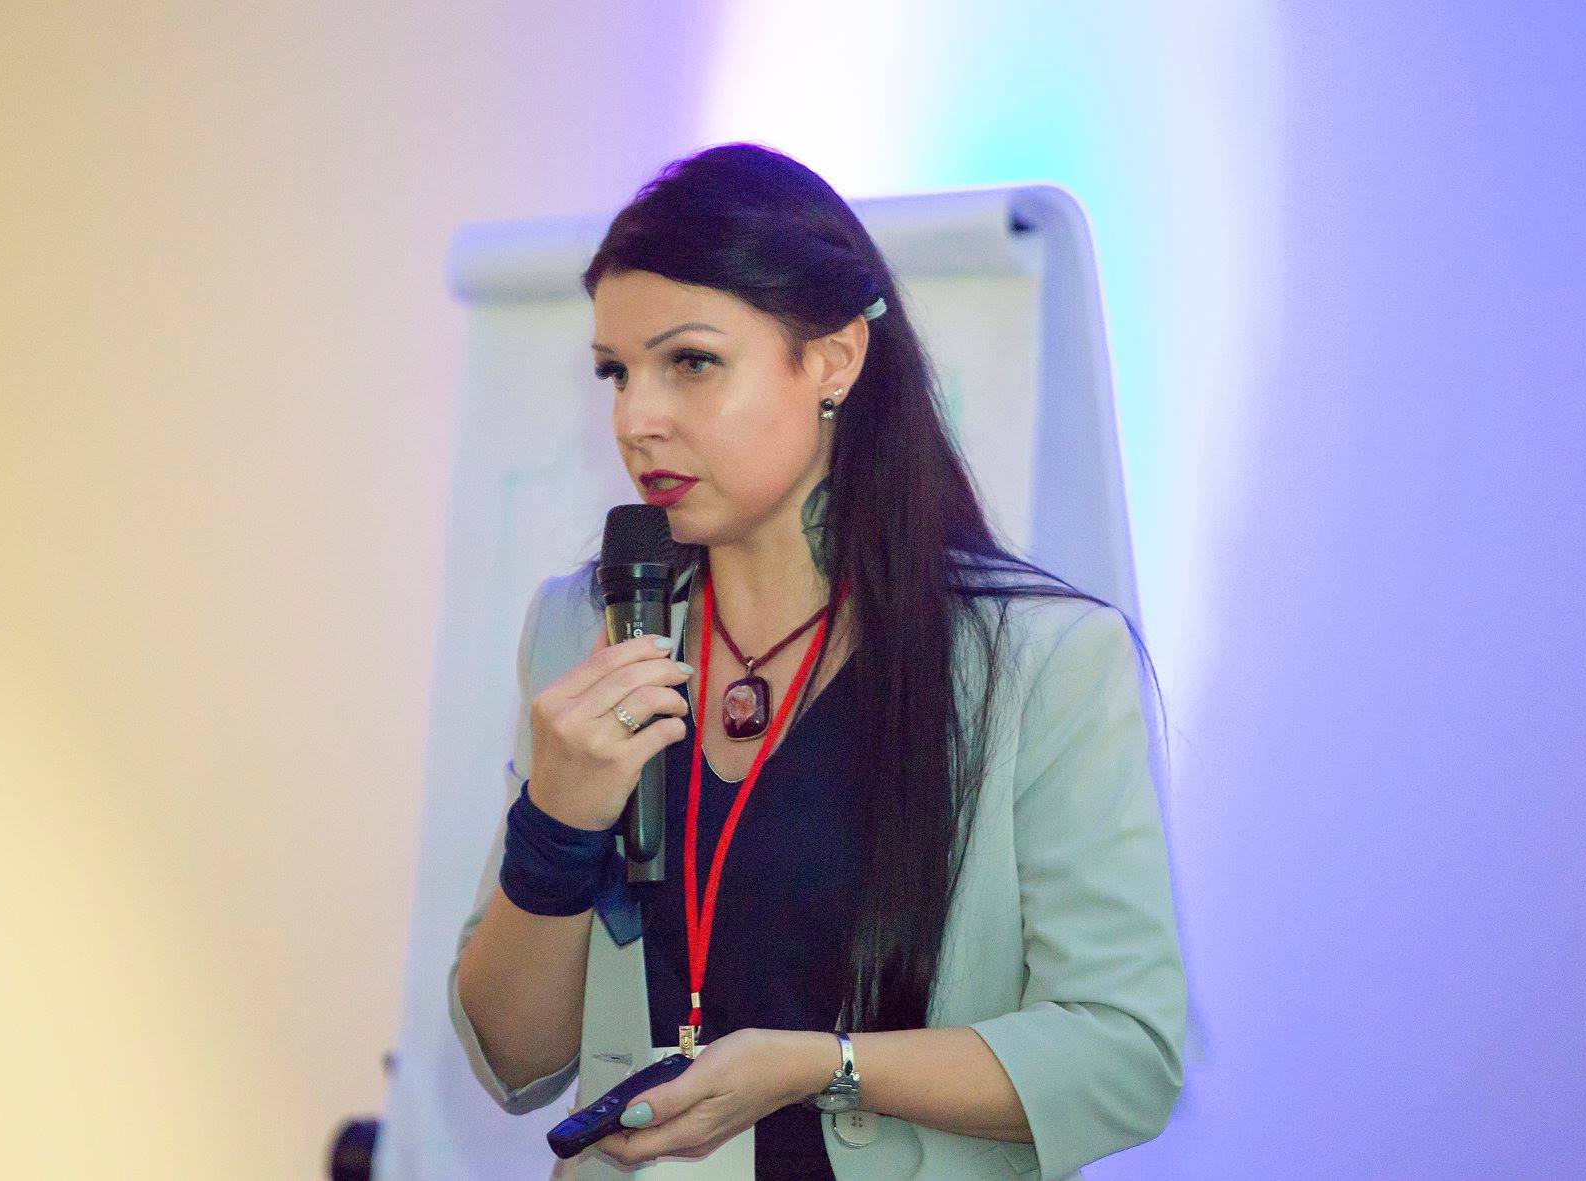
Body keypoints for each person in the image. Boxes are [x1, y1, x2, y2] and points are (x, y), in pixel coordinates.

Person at [450, 142, 1187, 1180]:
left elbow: (1124, 1052)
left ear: (833, 360)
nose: (635, 419)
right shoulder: (586, 627)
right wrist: (558, 822)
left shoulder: (1040, 660)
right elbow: (513, 1058)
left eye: (689, 362)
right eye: (615, 372)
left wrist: (821, 1066)